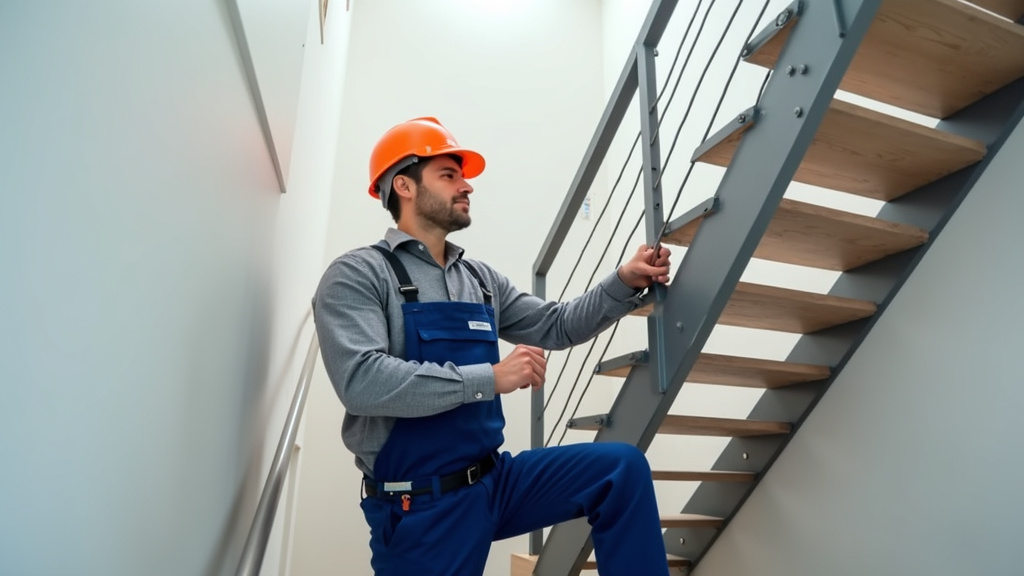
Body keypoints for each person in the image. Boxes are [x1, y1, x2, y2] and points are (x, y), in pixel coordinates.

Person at [312, 117, 673, 576]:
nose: (467, 186)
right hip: (420, 505)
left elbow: (556, 325)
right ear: (403, 185)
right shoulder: (359, 274)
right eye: (449, 175)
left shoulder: (479, 280)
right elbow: (362, 381)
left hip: (494, 481)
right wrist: (492, 377)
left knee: (620, 469)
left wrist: (623, 282)